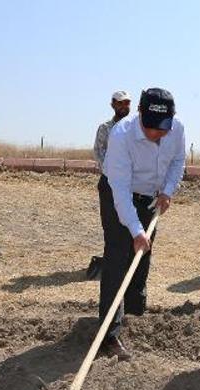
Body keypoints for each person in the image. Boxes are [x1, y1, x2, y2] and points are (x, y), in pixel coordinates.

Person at [97, 88, 185, 360]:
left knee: (142, 255)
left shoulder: (177, 129)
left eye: (162, 128)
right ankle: (108, 335)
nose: (156, 134)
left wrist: (168, 190)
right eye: (150, 127)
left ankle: (135, 313)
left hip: (151, 198)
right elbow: (120, 191)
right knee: (117, 258)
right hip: (118, 195)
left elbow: (178, 161)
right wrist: (135, 230)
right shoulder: (121, 135)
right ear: (139, 113)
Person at [87, 91, 132, 279]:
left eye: (127, 103)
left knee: (128, 221)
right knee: (110, 222)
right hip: (109, 182)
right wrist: (113, 170)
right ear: (113, 105)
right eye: (120, 103)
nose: (124, 106)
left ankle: (128, 261)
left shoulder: (136, 128)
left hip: (132, 183)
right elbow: (99, 152)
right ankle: (111, 261)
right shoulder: (105, 128)